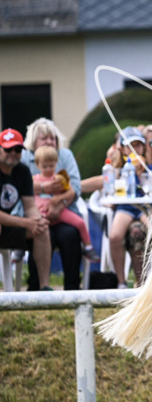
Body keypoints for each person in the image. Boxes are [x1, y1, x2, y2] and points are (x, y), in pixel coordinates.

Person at [21, 118, 88, 289]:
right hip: (36, 214)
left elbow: (76, 187)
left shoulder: (65, 155)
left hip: (64, 212)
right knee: (42, 233)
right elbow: (20, 186)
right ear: (33, 141)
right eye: (44, 138)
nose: (49, 141)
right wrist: (43, 187)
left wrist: (59, 205)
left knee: (70, 235)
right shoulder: (23, 157)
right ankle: (36, 287)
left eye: (53, 138)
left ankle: (73, 289)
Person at [0, 128, 52, 290]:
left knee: (42, 229)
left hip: (11, 225)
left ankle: (44, 287)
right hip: (6, 224)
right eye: (8, 149)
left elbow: (29, 206)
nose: (13, 153)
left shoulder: (22, 171)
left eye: (17, 149)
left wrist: (37, 220)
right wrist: (26, 222)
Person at [32, 145, 99, 262]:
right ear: (37, 165)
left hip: (59, 211)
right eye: (45, 166)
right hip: (42, 213)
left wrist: (57, 199)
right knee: (34, 226)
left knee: (80, 222)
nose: (48, 169)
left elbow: (71, 192)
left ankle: (88, 247)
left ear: (56, 163)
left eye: (51, 166)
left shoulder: (60, 179)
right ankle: (21, 249)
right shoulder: (35, 180)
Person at [108, 126, 149, 288]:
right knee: (114, 237)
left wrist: (143, 171)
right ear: (123, 149)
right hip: (126, 206)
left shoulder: (149, 167)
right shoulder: (117, 169)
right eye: (130, 146)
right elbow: (110, 188)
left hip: (143, 206)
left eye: (138, 145)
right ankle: (121, 282)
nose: (135, 149)